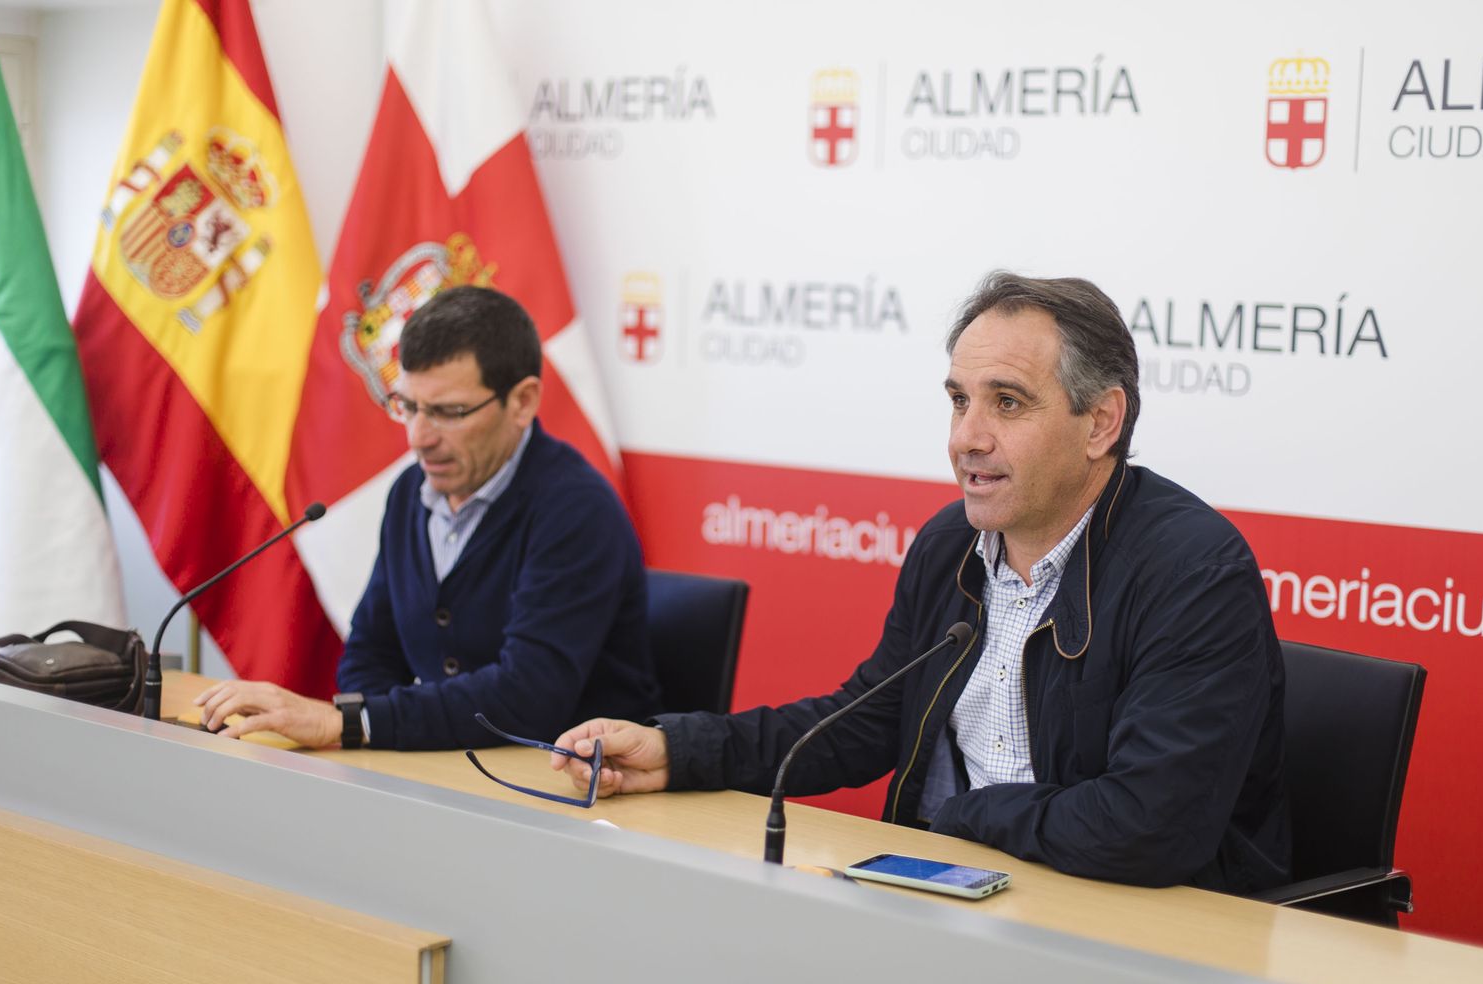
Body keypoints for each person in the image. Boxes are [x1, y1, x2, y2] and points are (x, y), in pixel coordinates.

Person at [553, 272, 1290, 893]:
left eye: (1006, 403)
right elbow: (867, 719)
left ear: (1100, 422)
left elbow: (1147, 828)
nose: (966, 436)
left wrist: (966, 814)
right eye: (958, 400)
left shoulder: (1191, 573)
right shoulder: (951, 546)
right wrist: (679, 751)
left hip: (1130, 928)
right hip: (954, 897)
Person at [197, 286, 660, 749]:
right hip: (456, 771)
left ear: (522, 402)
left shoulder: (576, 509)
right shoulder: (409, 493)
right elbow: (371, 652)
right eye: (410, 407)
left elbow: (528, 697)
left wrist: (354, 723)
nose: (419, 437)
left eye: (449, 412)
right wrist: (365, 749)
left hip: (569, 789)